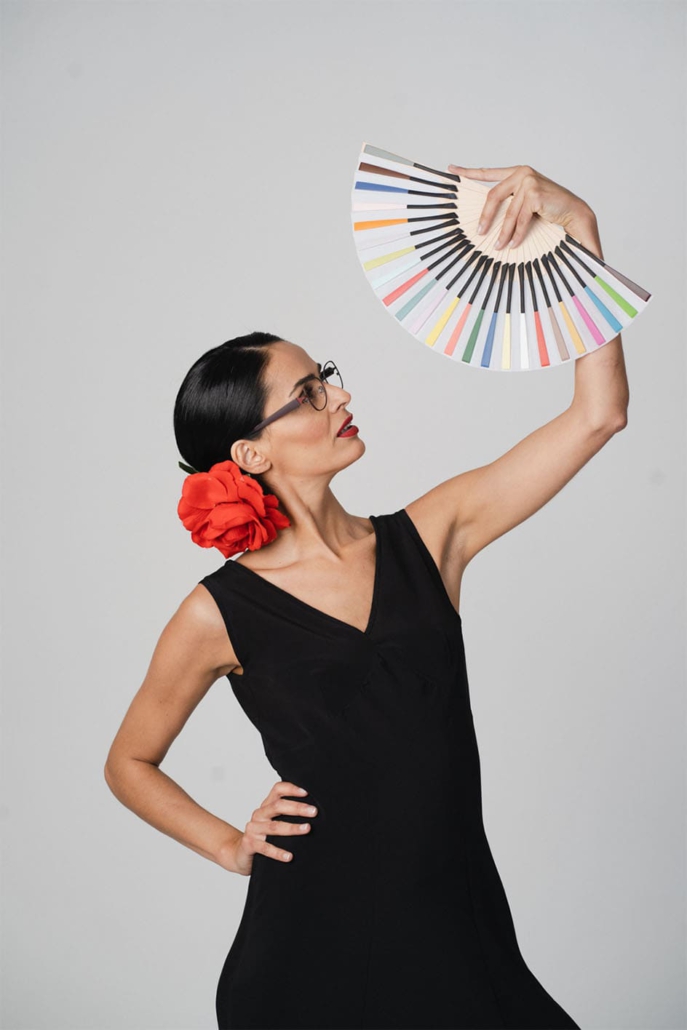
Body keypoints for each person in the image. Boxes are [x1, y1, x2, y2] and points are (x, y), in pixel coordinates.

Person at [104, 164, 629, 1030]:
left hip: (460, 934)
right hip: (308, 958)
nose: (340, 395)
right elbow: (128, 762)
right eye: (308, 394)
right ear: (252, 454)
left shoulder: (430, 535)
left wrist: (577, 228)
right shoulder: (217, 613)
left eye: (327, 376)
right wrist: (230, 844)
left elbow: (597, 414)